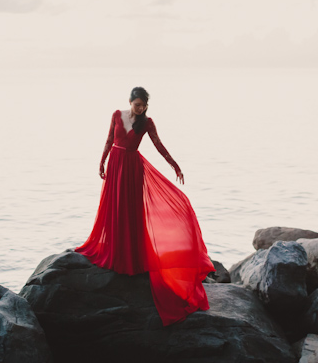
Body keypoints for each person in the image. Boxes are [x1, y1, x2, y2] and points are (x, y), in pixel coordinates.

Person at [75, 86, 214, 326]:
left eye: (143, 106)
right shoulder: (117, 115)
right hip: (116, 165)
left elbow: (159, 145)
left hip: (132, 169)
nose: (139, 108)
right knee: (113, 209)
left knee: (132, 213)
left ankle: (132, 256)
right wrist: (102, 162)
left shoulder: (147, 123)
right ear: (130, 102)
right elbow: (109, 139)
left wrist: (175, 165)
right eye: (136, 104)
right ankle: (116, 250)